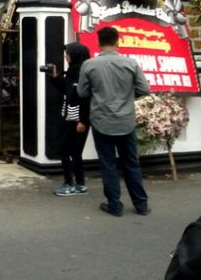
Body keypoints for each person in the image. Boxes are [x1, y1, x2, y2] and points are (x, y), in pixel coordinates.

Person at [77, 26, 151, 217]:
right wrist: (126, 97)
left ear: (98, 43)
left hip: (102, 121)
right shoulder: (131, 64)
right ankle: (141, 205)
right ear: (118, 41)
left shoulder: (89, 65)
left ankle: (115, 205)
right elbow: (145, 89)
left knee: (108, 164)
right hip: (126, 121)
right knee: (131, 163)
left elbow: (82, 93)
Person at [48, 42, 91, 197]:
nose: (66, 56)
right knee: (75, 152)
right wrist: (54, 77)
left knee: (65, 150)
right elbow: (66, 91)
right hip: (69, 117)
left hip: (76, 120)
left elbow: (86, 99)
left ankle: (69, 184)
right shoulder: (73, 72)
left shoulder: (83, 75)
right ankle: (80, 184)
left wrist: (82, 121)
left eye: (68, 53)